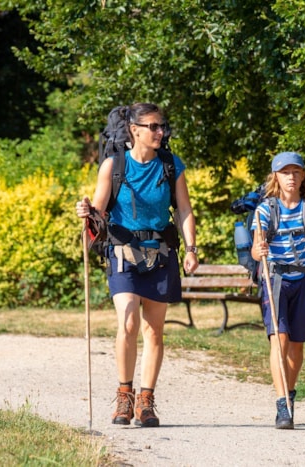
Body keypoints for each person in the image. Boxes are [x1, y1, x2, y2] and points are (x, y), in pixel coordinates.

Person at [76, 103, 198, 427]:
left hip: (160, 253)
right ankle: (124, 397)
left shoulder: (171, 165)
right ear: (135, 130)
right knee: (128, 322)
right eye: (154, 126)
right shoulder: (114, 165)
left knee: (153, 331)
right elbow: (100, 212)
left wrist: (192, 248)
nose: (161, 132)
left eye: (162, 126)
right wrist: (87, 211)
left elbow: (184, 210)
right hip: (122, 253)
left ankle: (146, 401)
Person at [250, 151, 305, 429]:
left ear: (303, 176)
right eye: (285, 172)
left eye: (296, 172)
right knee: (280, 340)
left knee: (296, 346)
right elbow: (255, 247)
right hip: (275, 281)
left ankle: (290, 392)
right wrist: (258, 249)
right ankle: (282, 403)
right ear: (276, 176)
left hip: (303, 281)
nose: (291, 177)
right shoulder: (264, 210)